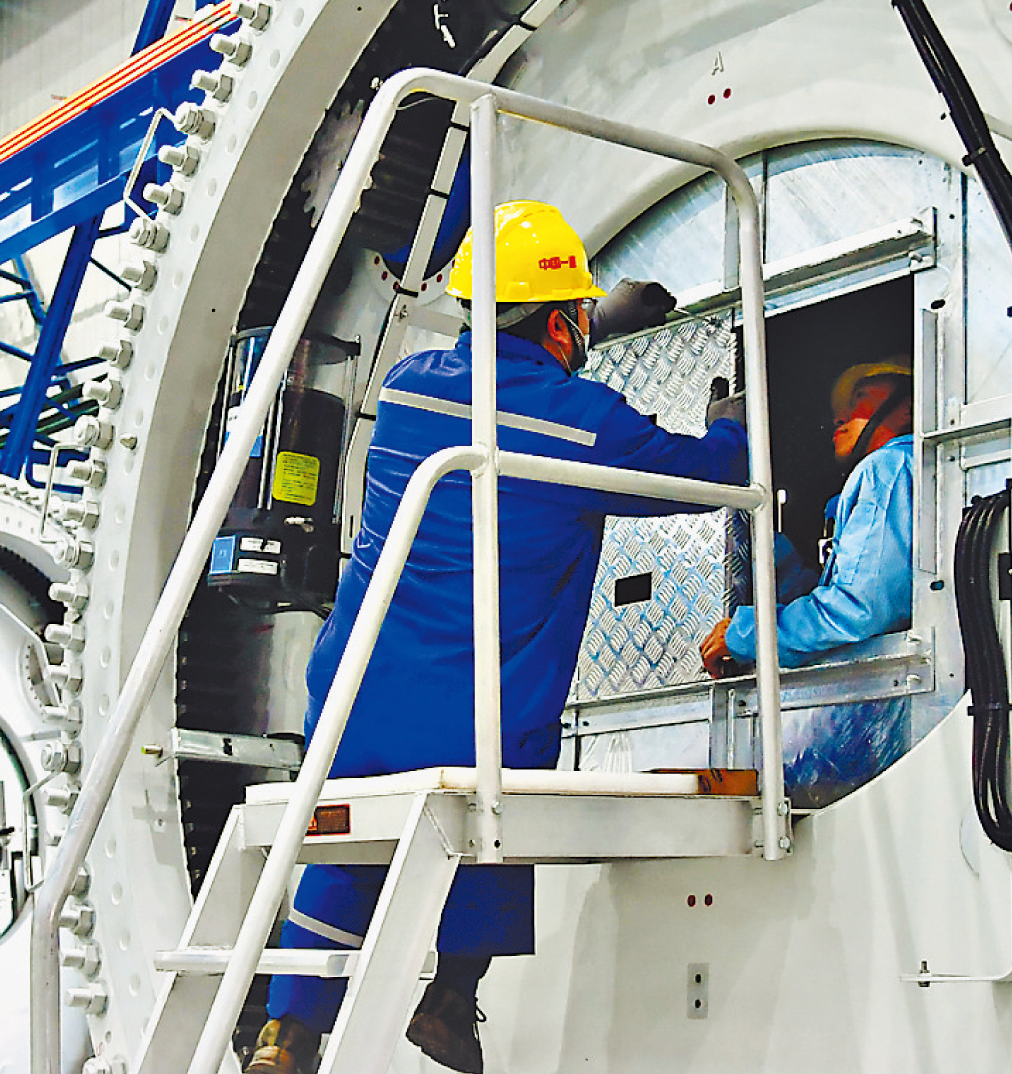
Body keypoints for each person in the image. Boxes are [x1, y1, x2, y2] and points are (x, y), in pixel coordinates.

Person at [250, 201, 750, 1074]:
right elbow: (707, 475)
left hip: (353, 696)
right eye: (578, 316)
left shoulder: (406, 386)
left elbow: (501, 376)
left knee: (347, 840)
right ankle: (452, 996)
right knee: (494, 801)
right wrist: (733, 419)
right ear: (560, 323)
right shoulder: (584, 422)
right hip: (467, 710)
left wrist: (588, 324)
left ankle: (284, 1035)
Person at [701, 358, 917, 676]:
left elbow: (858, 609)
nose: (839, 417)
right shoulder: (901, 472)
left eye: (859, 397)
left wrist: (747, 635)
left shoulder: (887, 468)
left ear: (907, 408)